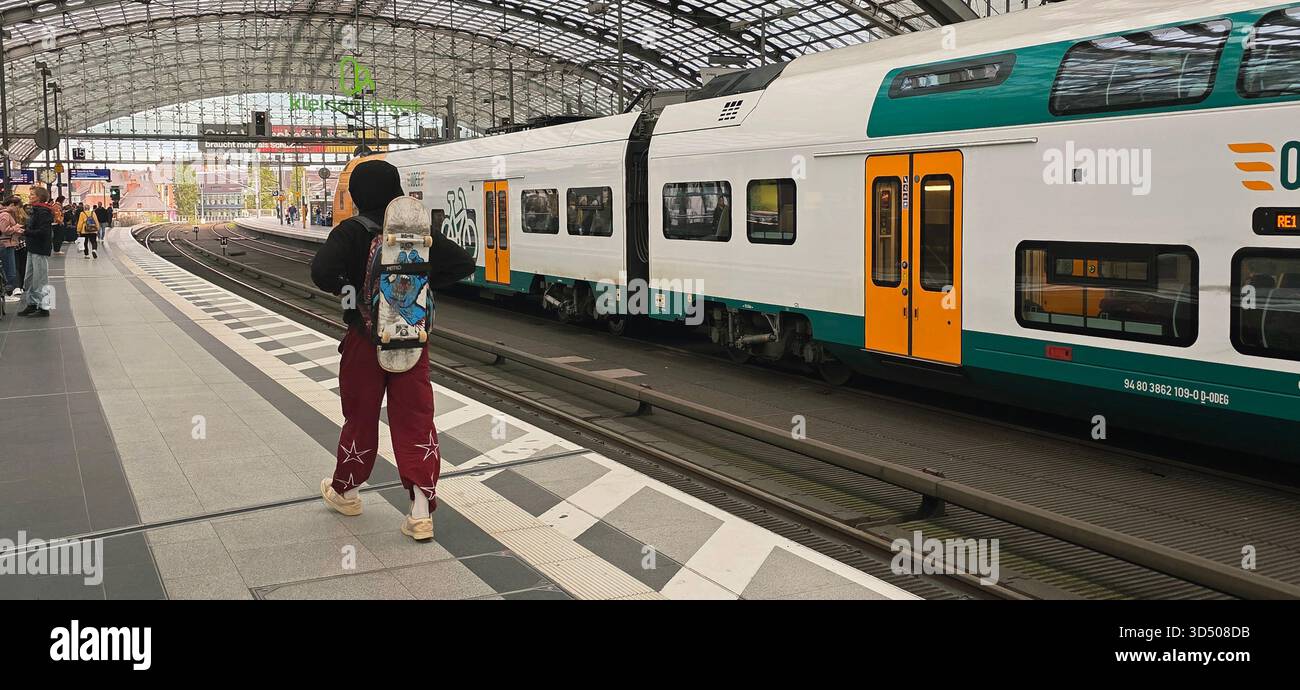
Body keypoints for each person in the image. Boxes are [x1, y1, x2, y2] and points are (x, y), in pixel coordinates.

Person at [310, 160, 474, 541]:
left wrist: (351, 290)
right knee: (415, 420)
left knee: (361, 416)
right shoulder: (415, 232)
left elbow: (320, 272)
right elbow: (464, 263)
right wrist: (424, 284)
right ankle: (420, 511)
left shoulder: (351, 231)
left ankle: (347, 491)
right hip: (412, 341)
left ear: (357, 195)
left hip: (364, 342)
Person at [17, 187, 56, 318]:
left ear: (39, 197)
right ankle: (32, 304)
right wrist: (24, 229)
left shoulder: (43, 212)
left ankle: (44, 307)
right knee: (30, 278)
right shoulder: (35, 210)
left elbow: (44, 232)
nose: (29, 196)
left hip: (39, 249)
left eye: (32, 194)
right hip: (32, 248)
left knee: (40, 279)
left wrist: (25, 232)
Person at [0, 197, 24, 303]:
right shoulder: (5, 214)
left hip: (6, 243)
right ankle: (7, 293)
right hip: (6, 244)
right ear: (12, 205)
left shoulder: (5, 214)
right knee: (10, 270)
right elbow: (4, 230)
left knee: (8, 269)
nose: (17, 209)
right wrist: (16, 228)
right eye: (17, 207)